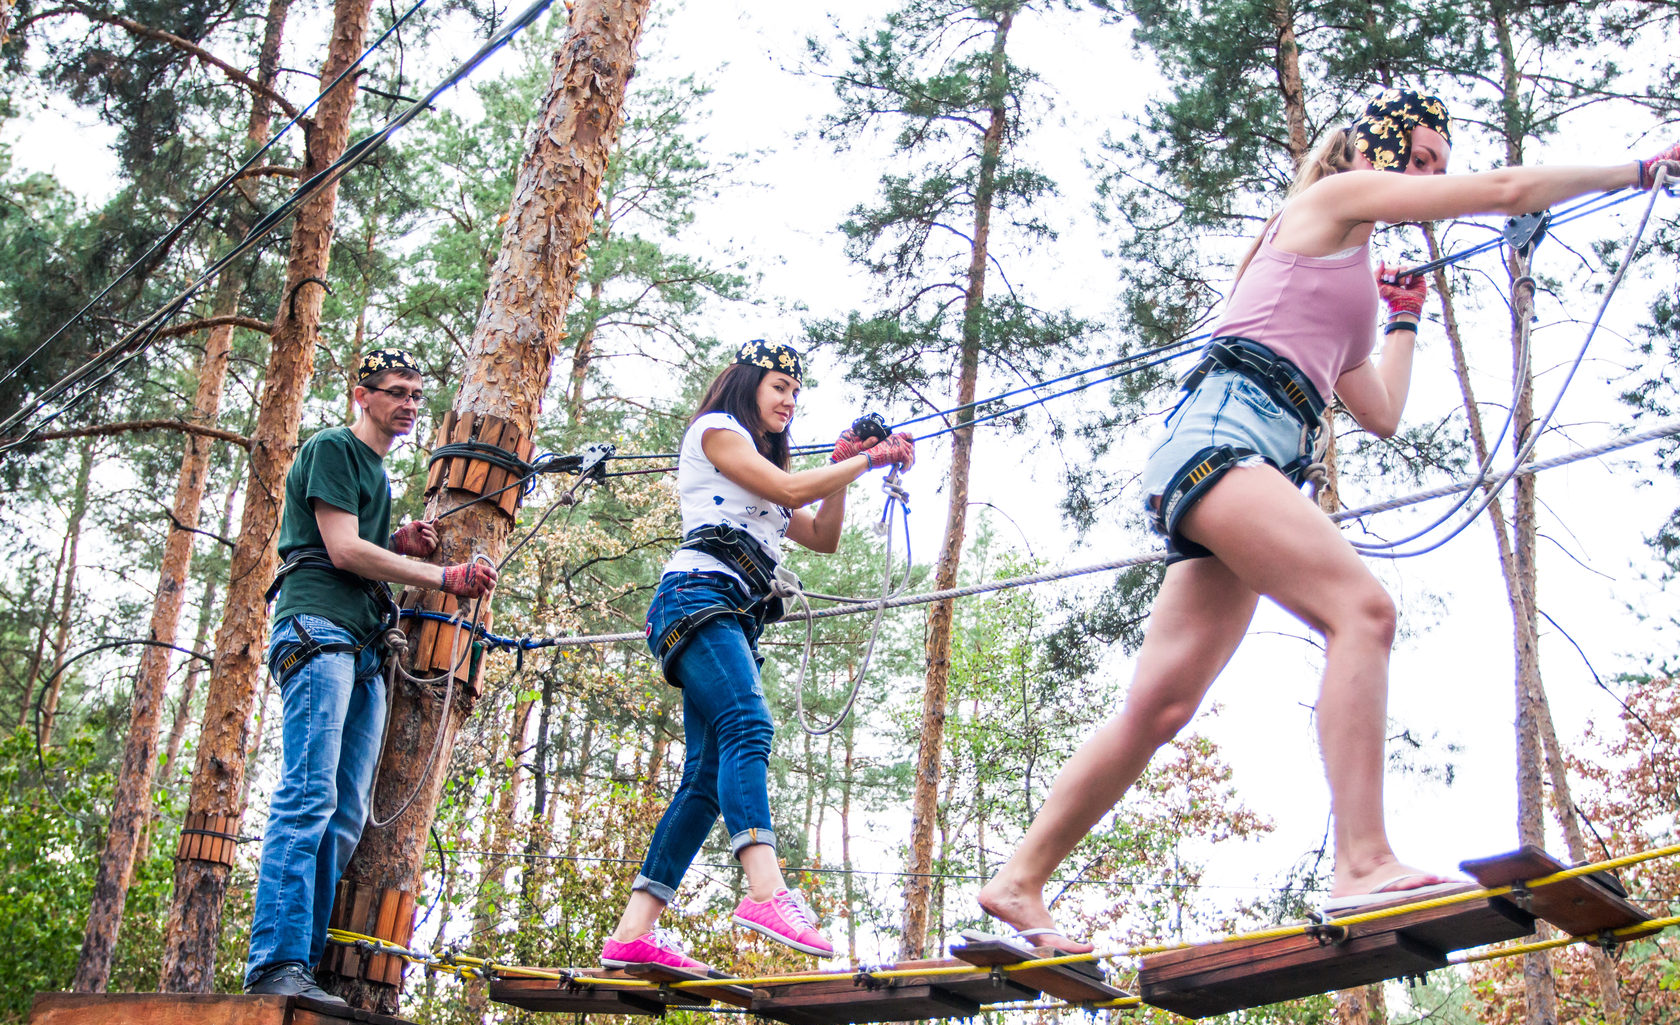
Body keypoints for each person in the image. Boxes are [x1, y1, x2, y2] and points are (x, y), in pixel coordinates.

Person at [977, 89, 1680, 949]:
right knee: (1364, 612)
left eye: (1437, 168)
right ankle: (1362, 862)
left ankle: (1019, 882)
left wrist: (1404, 321)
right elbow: (1503, 193)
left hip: (1249, 463)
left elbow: (1378, 409)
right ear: (1370, 151)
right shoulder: (1329, 201)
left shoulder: (1349, 270)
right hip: (1223, 440)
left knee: (1162, 704)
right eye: (1419, 160)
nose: (1431, 178)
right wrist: (1638, 168)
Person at [600, 341, 916, 972]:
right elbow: (788, 484)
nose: (789, 402)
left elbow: (822, 536)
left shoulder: (765, 481)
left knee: (704, 779)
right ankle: (766, 891)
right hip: (697, 599)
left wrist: (844, 468)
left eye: (796, 393)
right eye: (779, 388)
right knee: (749, 723)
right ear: (747, 385)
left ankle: (634, 932)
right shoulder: (716, 431)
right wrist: (865, 461)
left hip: (732, 617)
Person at [244, 348, 498, 1001]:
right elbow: (343, 550)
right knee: (308, 796)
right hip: (318, 629)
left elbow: (368, 551)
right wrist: (443, 577)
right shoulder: (334, 449)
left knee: (346, 815)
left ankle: (303, 962)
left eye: (417, 394)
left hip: (362, 648)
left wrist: (401, 547)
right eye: (396, 393)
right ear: (363, 396)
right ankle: (275, 965)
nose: (409, 405)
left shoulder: (377, 476)